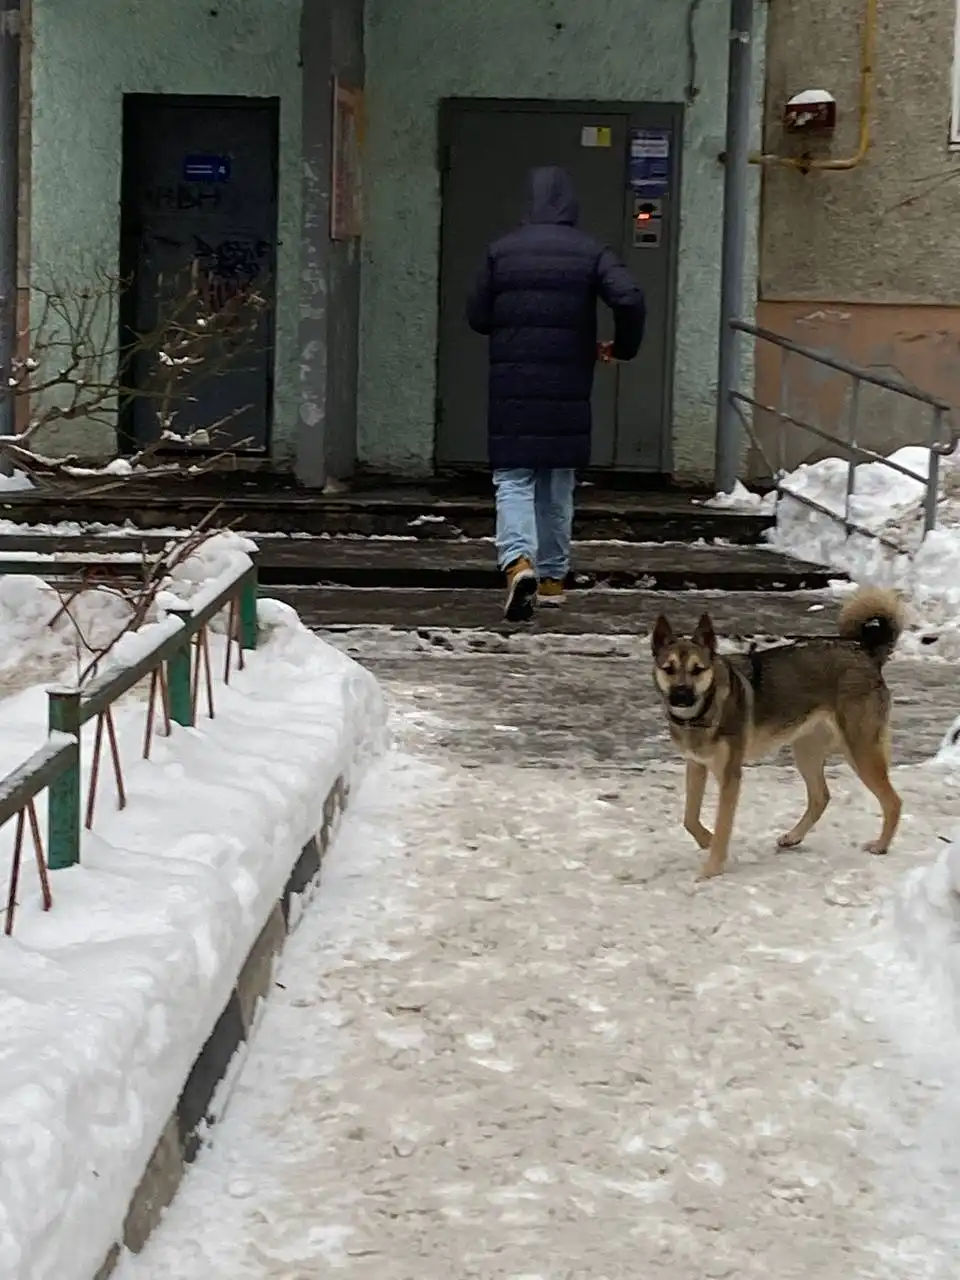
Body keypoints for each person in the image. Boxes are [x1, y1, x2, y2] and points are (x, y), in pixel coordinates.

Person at [466, 165, 646, 622]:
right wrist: (623, 347)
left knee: (514, 479)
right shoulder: (591, 251)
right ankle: (551, 578)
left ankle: (518, 563)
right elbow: (629, 297)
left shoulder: (501, 251)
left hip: (512, 384)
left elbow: (477, 316)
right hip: (568, 384)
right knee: (557, 482)